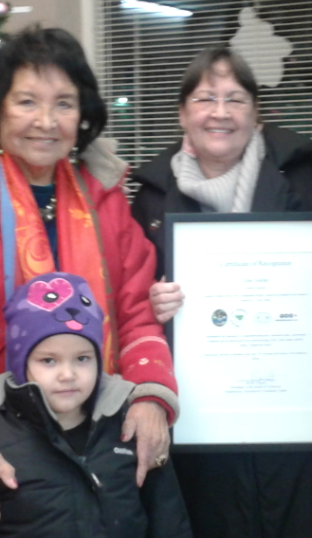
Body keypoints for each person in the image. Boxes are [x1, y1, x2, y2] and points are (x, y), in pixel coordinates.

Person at [0, 26, 180, 525]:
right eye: (27, 101)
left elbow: (136, 313)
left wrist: (153, 397)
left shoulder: (104, 196)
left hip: (101, 445)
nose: (46, 121)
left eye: (64, 104)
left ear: (82, 115)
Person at [131, 47, 312, 538]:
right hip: (200, 422)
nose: (220, 112)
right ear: (182, 113)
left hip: (293, 414)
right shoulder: (149, 196)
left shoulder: (302, 176)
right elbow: (128, 306)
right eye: (205, 98)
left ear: (256, 114)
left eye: (235, 99)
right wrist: (153, 306)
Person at [0, 271, 192, 538]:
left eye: (82, 358)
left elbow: (169, 522)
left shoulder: (132, 427)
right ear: (20, 363)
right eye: (48, 360)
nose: (67, 374)